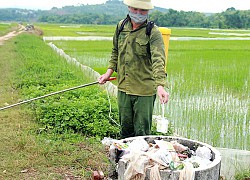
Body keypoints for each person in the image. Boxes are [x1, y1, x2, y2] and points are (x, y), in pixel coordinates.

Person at [99, 0, 169, 139]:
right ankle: (126, 158)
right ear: (129, 7)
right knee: (125, 130)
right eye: (135, 9)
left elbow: (158, 60)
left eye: (142, 10)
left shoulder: (153, 33)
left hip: (144, 91)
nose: (138, 13)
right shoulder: (121, 27)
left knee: (142, 133)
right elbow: (115, 52)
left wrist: (160, 86)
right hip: (124, 87)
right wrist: (108, 73)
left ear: (148, 11)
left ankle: (141, 159)